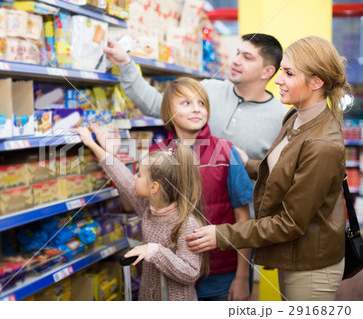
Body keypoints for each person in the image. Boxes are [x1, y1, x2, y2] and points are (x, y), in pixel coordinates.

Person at [185, 35, 351, 301]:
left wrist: (222, 234)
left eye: (288, 73)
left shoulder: (322, 144)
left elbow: (291, 223)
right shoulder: (296, 116)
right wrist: (241, 162)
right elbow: (283, 172)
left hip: (311, 267)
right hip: (293, 254)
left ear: (316, 82)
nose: (278, 80)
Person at [96, 77, 254, 301]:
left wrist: (242, 276)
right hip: (168, 274)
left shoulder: (226, 152)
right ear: (167, 110)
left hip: (220, 274)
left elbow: (243, 218)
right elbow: (132, 204)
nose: (197, 109)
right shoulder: (155, 154)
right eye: (186, 103)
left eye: (202, 103)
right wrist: (114, 157)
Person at [74, 126, 208, 301]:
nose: (134, 178)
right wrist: (92, 144)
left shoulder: (186, 223)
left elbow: (190, 272)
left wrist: (153, 251)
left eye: (138, 175)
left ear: (154, 187)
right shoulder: (149, 207)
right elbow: (122, 177)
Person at [104, 33, 287, 161]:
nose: (236, 61)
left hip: (246, 215)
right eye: (237, 53)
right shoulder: (208, 88)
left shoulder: (280, 118)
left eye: (247, 57)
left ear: (267, 72)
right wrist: (125, 64)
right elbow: (157, 105)